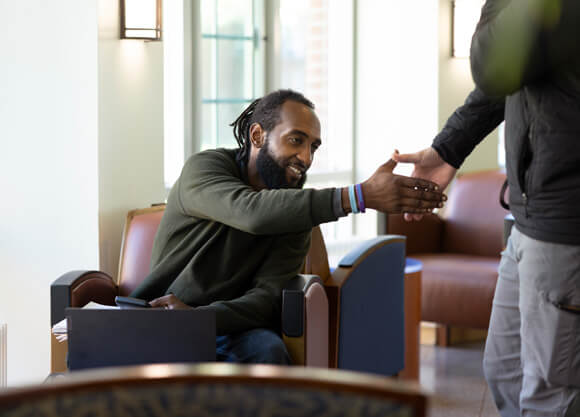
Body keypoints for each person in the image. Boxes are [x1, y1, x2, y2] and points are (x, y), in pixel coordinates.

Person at [131, 89, 446, 365]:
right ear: (257, 136)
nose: (306, 158)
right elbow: (251, 213)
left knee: (268, 352)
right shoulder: (204, 169)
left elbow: (265, 298)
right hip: (163, 317)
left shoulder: (296, 211)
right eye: (296, 140)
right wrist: (358, 196)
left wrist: (202, 319)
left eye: (313, 147)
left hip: (225, 326)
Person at [394, 1, 580, 416]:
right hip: (529, 219)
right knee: (504, 371)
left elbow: (491, 62)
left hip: (563, 224)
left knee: (551, 395)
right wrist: (447, 149)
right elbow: (502, 82)